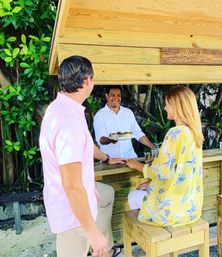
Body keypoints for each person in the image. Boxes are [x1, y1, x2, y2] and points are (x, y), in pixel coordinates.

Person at [39, 55, 123, 257]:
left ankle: (105, 248)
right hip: (71, 213)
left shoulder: (65, 108)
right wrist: (92, 232)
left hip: (79, 197)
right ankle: (97, 242)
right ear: (87, 81)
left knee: (107, 193)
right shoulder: (68, 122)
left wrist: (105, 158)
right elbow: (72, 186)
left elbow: (86, 144)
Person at [126, 86, 204, 228]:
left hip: (172, 211)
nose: (164, 108)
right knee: (144, 192)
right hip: (190, 208)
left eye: (167, 104)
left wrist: (137, 165)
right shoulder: (194, 133)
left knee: (132, 196)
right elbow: (178, 170)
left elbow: (162, 170)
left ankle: (151, 236)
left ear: (177, 106)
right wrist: (152, 183)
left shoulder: (175, 133)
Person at [93, 86, 155, 158]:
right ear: (106, 96)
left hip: (130, 157)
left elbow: (137, 133)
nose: (116, 98)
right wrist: (110, 140)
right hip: (111, 160)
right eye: (113, 95)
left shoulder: (128, 112)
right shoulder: (100, 115)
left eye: (118, 95)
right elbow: (100, 139)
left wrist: (153, 147)